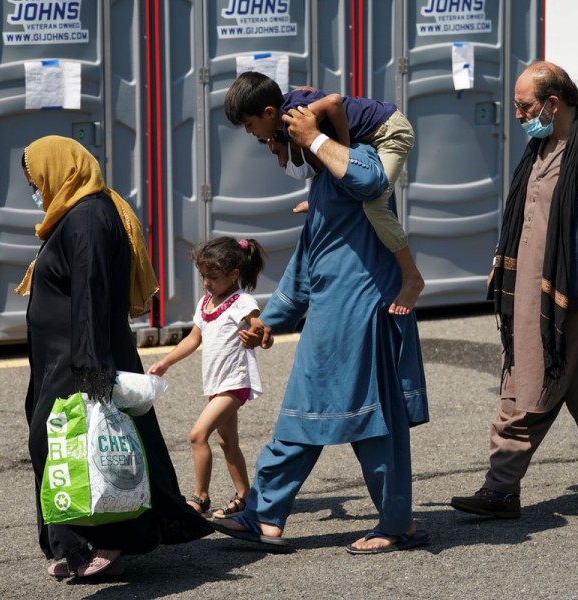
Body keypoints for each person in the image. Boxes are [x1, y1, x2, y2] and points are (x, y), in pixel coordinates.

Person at [210, 104, 430, 554]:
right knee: (342, 419)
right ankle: (273, 517)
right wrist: (267, 322)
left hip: (362, 311)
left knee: (360, 421)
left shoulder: (358, 160)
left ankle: (383, 522)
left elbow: (370, 180)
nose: (277, 158)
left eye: (276, 145)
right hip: (338, 312)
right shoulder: (327, 184)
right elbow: (309, 259)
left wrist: (312, 137)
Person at [450, 61, 578, 518]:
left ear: (553, 104)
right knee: (521, 390)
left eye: (524, 105)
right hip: (532, 302)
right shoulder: (539, 148)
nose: (518, 114)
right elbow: (524, 216)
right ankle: (501, 490)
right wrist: (504, 264)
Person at [17, 135, 211, 578]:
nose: (36, 189)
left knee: (85, 448)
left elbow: (91, 293)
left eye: (36, 179)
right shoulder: (74, 212)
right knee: (72, 449)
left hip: (80, 359)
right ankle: (75, 544)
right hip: (60, 358)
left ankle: (109, 541)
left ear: (58, 168)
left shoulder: (88, 215)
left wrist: (90, 369)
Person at [223, 71, 425, 316]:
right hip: (377, 130)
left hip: (390, 132)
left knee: (375, 204)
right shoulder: (287, 110)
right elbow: (306, 87)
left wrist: (345, 149)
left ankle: (411, 275)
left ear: (268, 112)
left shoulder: (292, 118)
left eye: (249, 125)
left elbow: (333, 102)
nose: (249, 132)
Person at [147, 237, 266, 519]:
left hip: (234, 383)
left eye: (213, 277)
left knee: (198, 435)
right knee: (228, 443)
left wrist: (259, 333)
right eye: (203, 276)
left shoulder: (242, 301)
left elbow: (257, 323)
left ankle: (200, 497)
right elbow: (194, 338)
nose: (206, 283)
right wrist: (166, 362)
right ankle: (245, 496)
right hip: (216, 384)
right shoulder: (206, 303)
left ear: (234, 274)